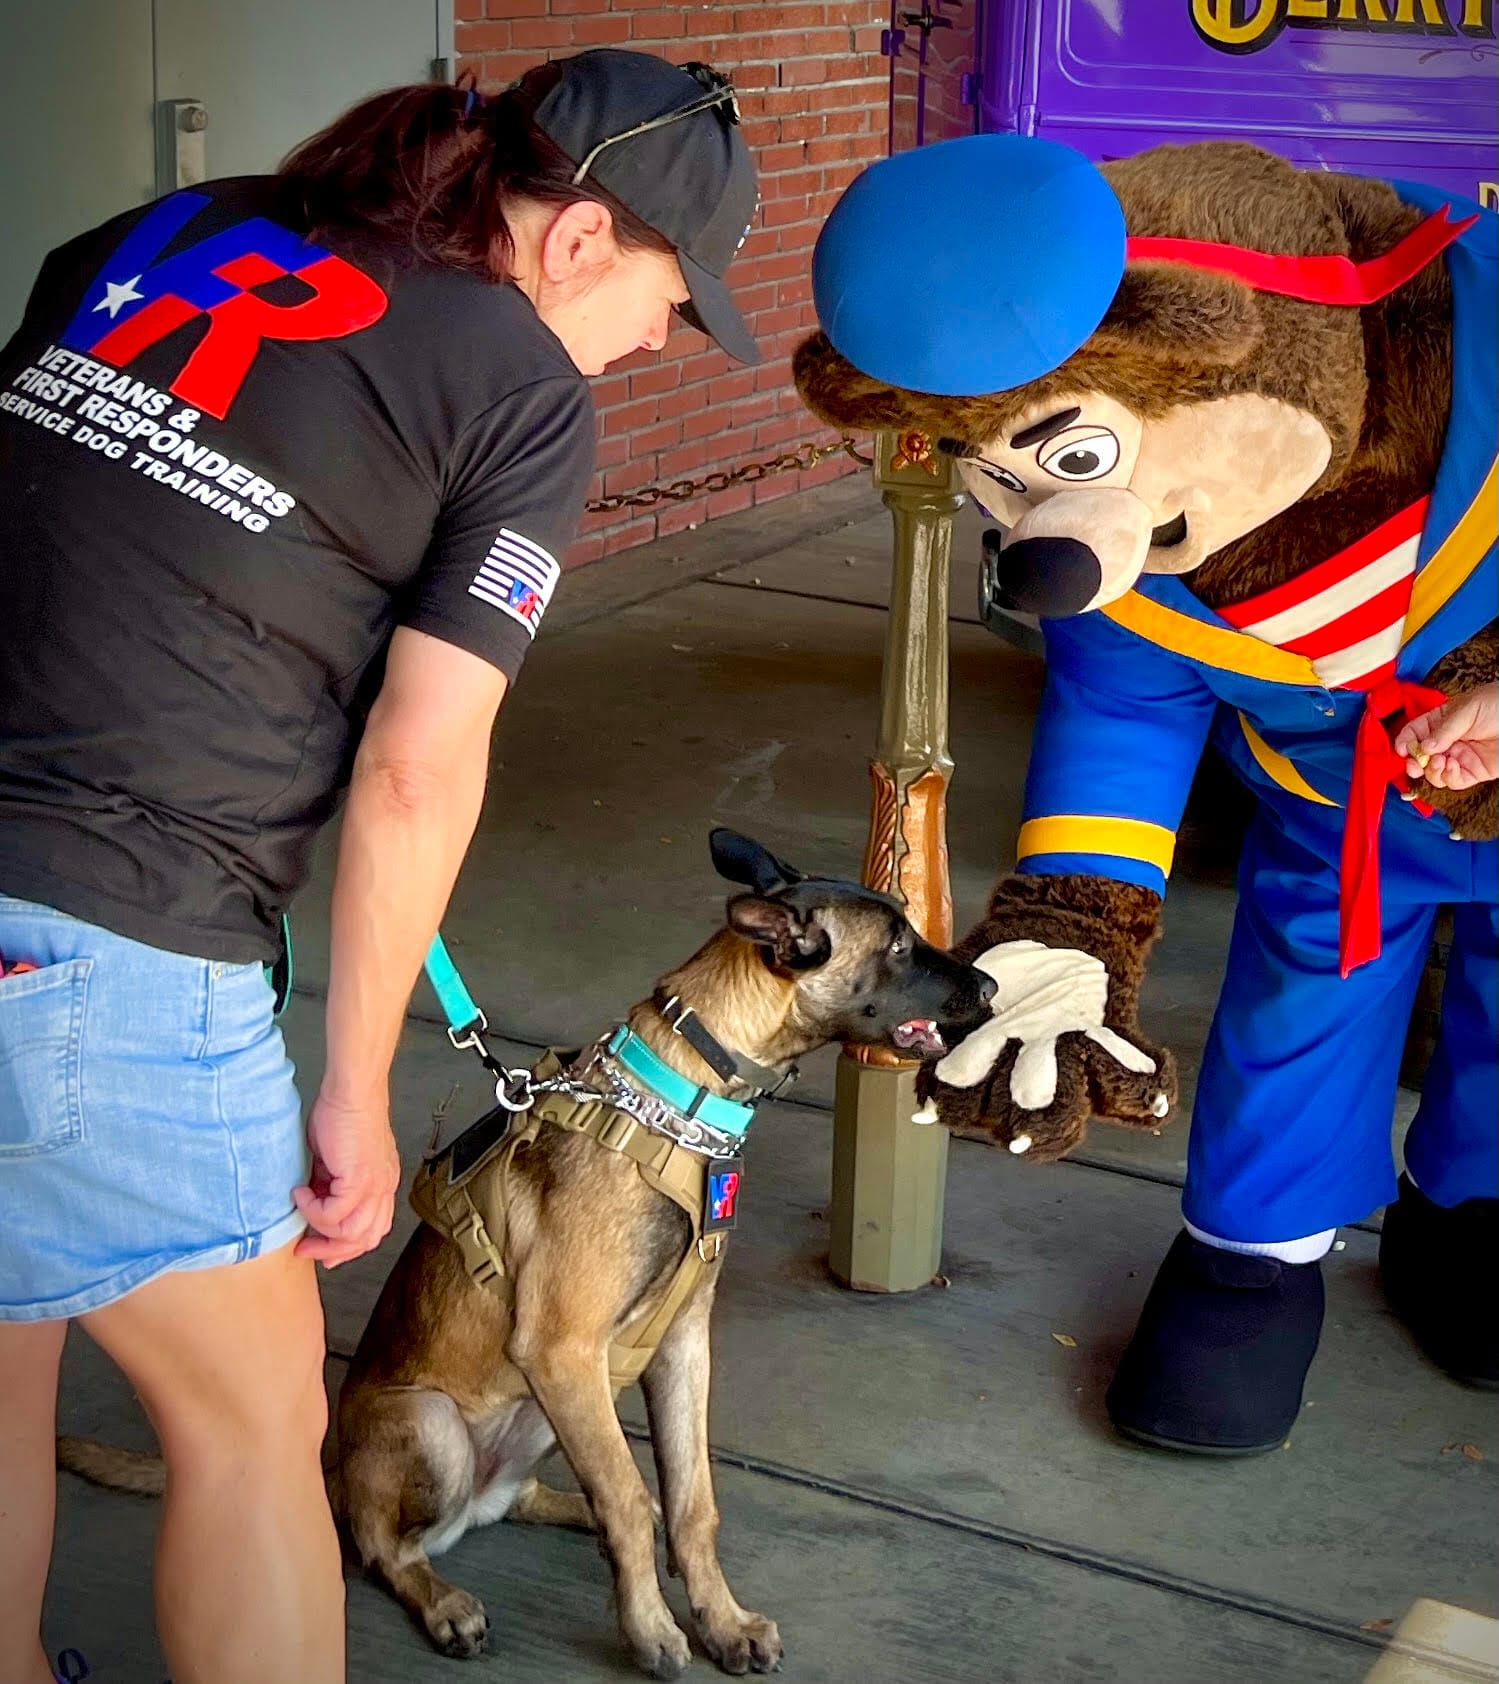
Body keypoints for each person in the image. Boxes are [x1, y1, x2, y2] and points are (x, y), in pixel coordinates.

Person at [0, 48, 758, 1684]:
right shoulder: (519, 385)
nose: (652, 346)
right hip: (101, 936)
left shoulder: (169, 225)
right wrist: (353, 1089)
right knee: (259, 1430)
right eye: (669, 303)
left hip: (43, 898)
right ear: (575, 239)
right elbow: (417, 765)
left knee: (3, 1344)